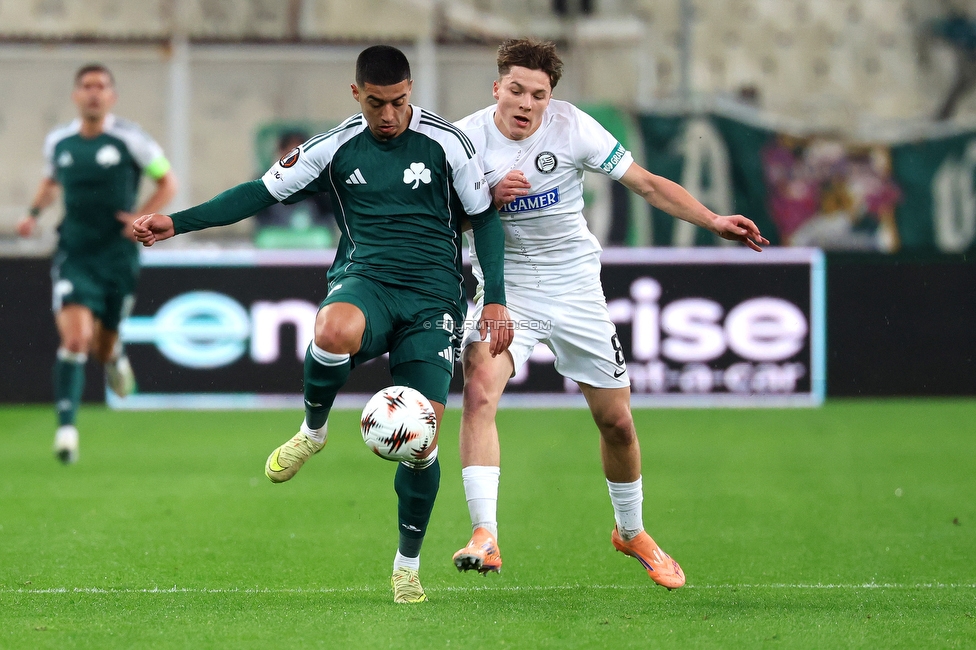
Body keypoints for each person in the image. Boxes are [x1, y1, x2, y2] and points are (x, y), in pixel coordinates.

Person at [132, 45, 512, 604]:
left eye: (400, 102)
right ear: (356, 94)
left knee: (422, 436)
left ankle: (407, 567)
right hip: (367, 281)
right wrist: (178, 223)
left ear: (412, 93)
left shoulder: (447, 143)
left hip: (434, 299)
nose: (390, 115)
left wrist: (496, 298)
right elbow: (258, 193)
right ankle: (313, 430)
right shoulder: (333, 148)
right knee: (332, 328)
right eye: (378, 103)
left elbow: (483, 217)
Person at [450, 38, 769, 589]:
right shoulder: (461, 142)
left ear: (550, 98)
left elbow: (645, 184)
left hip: (576, 291)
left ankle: (630, 531)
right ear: (497, 87)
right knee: (479, 387)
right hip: (510, 292)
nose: (526, 103)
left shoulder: (575, 127)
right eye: (517, 90)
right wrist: (481, 199)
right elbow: (434, 218)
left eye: (539, 94)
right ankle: (485, 534)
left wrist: (713, 220)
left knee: (617, 424)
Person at [17, 63, 178, 464]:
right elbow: (51, 180)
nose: (94, 93)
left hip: (118, 258)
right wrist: (34, 213)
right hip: (75, 251)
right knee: (75, 340)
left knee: (102, 345)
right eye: (87, 86)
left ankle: (115, 355)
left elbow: (167, 182)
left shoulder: (130, 139)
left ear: (112, 96)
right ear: (76, 95)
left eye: (101, 87)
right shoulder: (60, 141)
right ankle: (67, 430)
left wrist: (142, 217)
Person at [253, 129, 338, 248]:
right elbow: (261, 219)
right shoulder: (265, 182)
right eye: (289, 154)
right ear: (280, 153)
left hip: (312, 238)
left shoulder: (321, 183)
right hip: (276, 237)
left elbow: (328, 215)